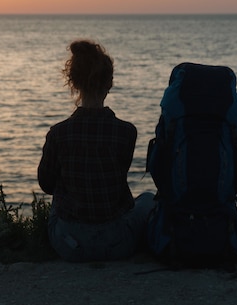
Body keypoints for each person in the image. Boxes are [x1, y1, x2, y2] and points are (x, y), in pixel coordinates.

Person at [38, 39, 155, 262]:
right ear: (109, 83)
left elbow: (46, 185)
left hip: (69, 244)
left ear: (73, 82)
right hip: (117, 244)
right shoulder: (127, 132)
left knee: (60, 195)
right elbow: (118, 181)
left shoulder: (58, 133)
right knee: (148, 198)